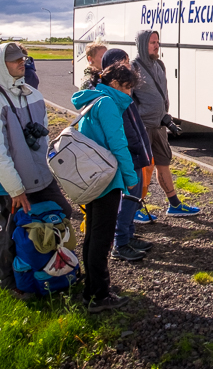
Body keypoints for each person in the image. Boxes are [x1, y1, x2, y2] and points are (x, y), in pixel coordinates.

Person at [0, 42, 72, 300]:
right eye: (15, 59)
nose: (22, 62)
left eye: (22, 58)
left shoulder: (33, 94)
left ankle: (49, 269)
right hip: (8, 184)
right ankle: (10, 282)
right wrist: (15, 189)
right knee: (10, 230)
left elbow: (43, 131)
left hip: (39, 174)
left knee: (62, 213)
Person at [70, 63, 140, 312]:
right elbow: (118, 144)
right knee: (102, 237)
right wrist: (131, 178)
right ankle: (98, 295)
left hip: (90, 176)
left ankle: (92, 286)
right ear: (115, 85)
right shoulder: (108, 104)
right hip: (106, 179)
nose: (130, 94)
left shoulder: (93, 100)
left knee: (92, 233)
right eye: (127, 88)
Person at [131, 30, 200, 220]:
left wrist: (165, 117)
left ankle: (175, 205)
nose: (156, 45)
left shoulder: (159, 65)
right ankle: (134, 207)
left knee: (164, 163)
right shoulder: (133, 68)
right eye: (152, 42)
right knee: (141, 168)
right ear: (142, 45)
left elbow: (161, 95)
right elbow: (129, 101)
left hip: (159, 125)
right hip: (142, 127)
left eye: (157, 42)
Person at [99, 48, 155, 262]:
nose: (129, 66)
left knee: (134, 199)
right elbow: (120, 138)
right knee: (128, 200)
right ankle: (120, 243)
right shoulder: (113, 102)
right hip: (128, 159)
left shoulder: (124, 98)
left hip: (135, 156)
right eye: (123, 64)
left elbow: (136, 129)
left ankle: (129, 236)